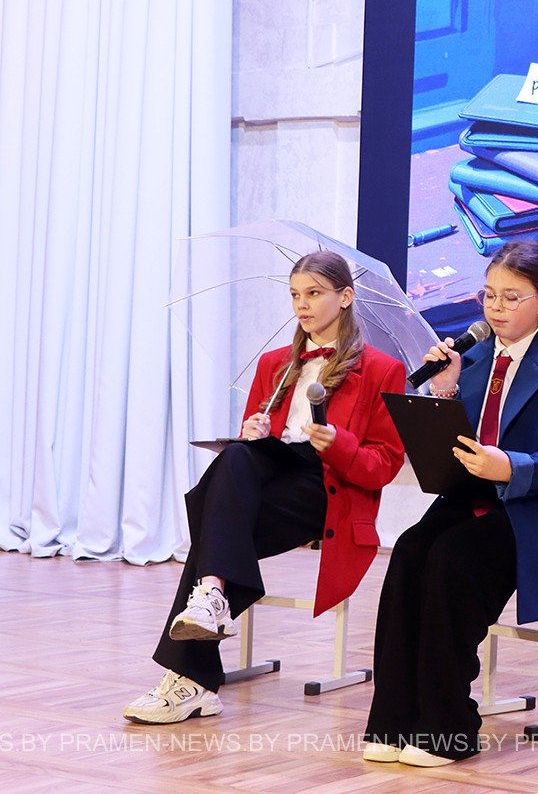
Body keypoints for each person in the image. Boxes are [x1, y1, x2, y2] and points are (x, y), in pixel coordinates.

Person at [123, 251, 407, 724]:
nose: (302, 304)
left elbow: (384, 465)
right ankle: (207, 616)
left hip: (328, 489)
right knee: (237, 455)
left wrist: (339, 444)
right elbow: (252, 450)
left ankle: (194, 666)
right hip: (273, 477)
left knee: (216, 532)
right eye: (295, 295)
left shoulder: (382, 369)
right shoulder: (275, 363)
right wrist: (254, 432)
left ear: (345, 296)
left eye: (314, 293)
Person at [363, 240, 538, 767]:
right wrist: (445, 393)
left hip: (531, 514)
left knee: (452, 560)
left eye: (511, 297)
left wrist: (510, 466)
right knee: (410, 552)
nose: (496, 308)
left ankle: (446, 729)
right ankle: (393, 721)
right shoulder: (471, 359)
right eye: (489, 295)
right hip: (471, 499)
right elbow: (455, 441)